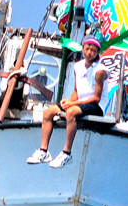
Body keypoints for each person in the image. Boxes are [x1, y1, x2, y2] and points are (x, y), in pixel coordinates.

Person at [27, 36, 107, 169]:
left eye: (93, 50)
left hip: (95, 106)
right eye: (87, 49)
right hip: (81, 102)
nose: (89, 53)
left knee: (71, 112)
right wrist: (69, 101)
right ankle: (43, 151)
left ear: (97, 53)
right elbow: (77, 91)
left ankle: (66, 153)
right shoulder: (78, 66)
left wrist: (71, 105)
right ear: (83, 49)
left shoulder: (99, 71)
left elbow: (96, 98)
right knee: (48, 112)